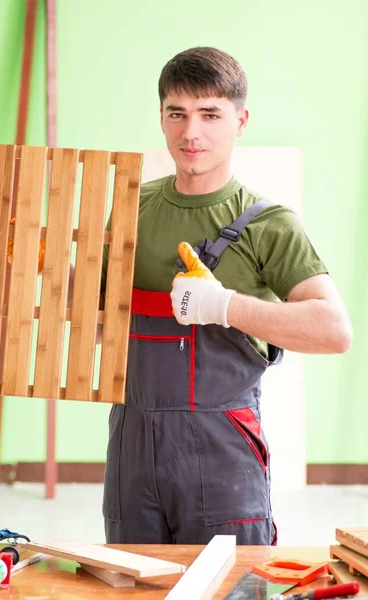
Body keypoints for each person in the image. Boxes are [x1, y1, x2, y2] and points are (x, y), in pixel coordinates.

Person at [99, 46, 352, 545]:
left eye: (210, 114)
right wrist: (42, 268)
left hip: (220, 455)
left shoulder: (268, 224)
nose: (191, 132)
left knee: (232, 588)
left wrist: (225, 306)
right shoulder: (130, 206)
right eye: (178, 113)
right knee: (131, 583)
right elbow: (94, 309)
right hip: (130, 447)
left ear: (240, 120)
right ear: (163, 118)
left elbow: (334, 330)